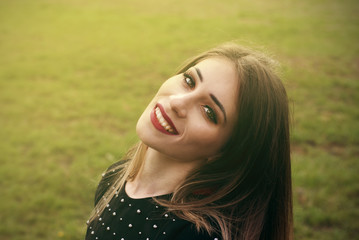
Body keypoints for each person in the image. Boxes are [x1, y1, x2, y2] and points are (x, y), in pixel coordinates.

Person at [85, 43, 293, 240]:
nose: (177, 102)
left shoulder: (197, 234)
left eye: (208, 111)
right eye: (189, 81)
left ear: (228, 150)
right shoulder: (115, 177)